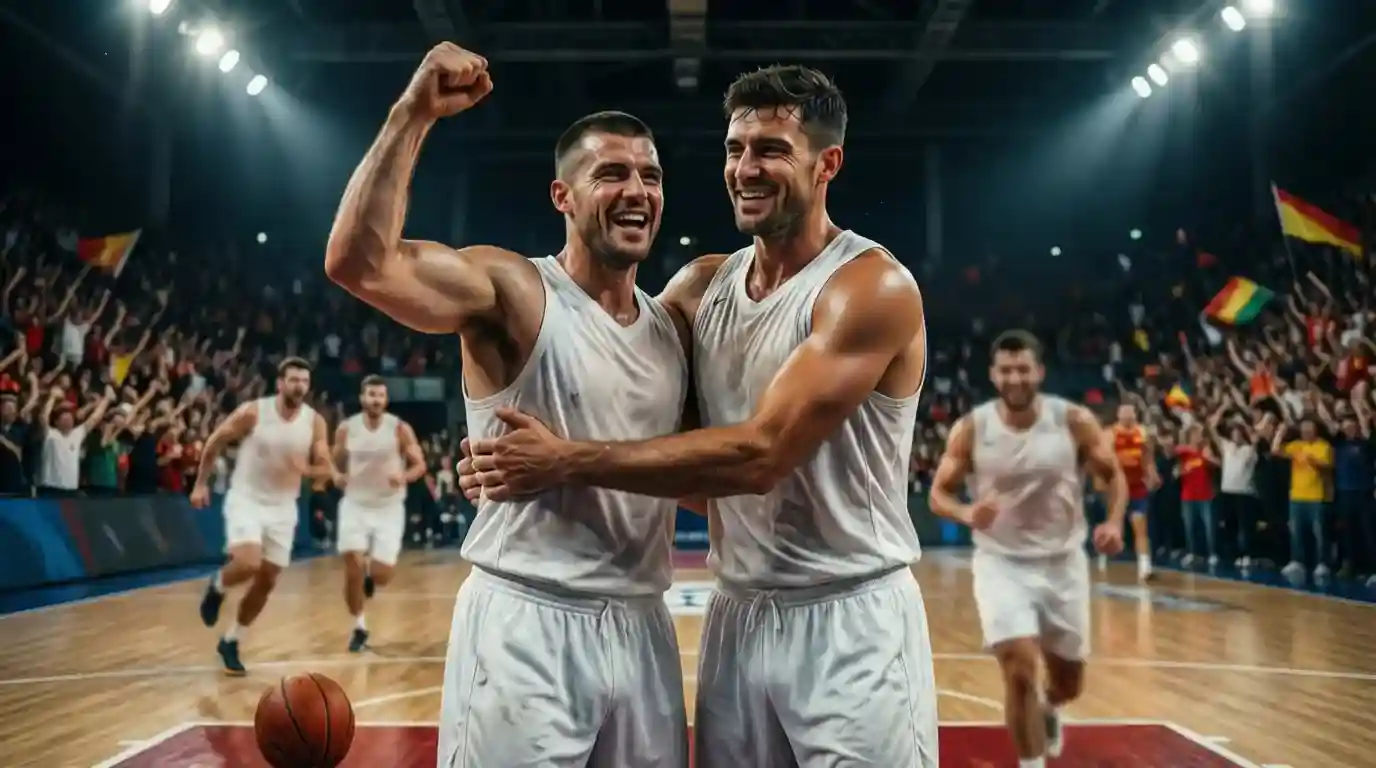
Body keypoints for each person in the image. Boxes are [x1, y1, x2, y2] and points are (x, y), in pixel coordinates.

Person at [462, 64, 938, 767]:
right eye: (735, 148)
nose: (746, 168)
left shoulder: (870, 286)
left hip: (850, 615)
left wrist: (566, 460)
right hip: (736, 617)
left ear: (827, 162)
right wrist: (497, 449)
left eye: (771, 150)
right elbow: (646, 420)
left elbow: (759, 457)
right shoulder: (699, 288)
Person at [324, 43, 690, 767]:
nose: (636, 191)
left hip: (645, 624)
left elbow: (695, 474)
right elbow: (360, 263)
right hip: (530, 620)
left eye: (650, 175)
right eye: (610, 173)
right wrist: (413, 113)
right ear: (563, 197)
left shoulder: (671, 328)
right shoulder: (514, 288)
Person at [927, 330, 1125, 768]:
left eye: (1023, 368)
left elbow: (1112, 476)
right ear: (993, 375)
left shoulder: (1072, 420)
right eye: (1006, 369)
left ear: (1039, 371)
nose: (1015, 377)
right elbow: (938, 494)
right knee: (1018, 668)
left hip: (1064, 563)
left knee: (1069, 681)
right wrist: (966, 513)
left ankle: (1051, 707)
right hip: (1000, 563)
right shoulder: (972, 428)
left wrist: (1113, 521)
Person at [191, 357, 333, 676]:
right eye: (293, 379)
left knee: (267, 580)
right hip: (247, 499)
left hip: (283, 508)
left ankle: (232, 640)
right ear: (279, 383)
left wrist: (311, 471)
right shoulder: (254, 412)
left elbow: (325, 467)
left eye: (304, 381)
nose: (299, 386)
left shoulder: (314, 422)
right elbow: (216, 440)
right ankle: (217, 586)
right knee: (248, 563)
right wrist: (201, 483)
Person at [333, 375, 426, 652]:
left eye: (380, 396)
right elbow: (333, 461)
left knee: (382, 573)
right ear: (362, 398)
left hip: (388, 507)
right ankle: (359, 626)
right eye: (371, 395)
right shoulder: (346, 429)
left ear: (386, 400)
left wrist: (405, 475)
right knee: (352, 563)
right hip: (355, 505)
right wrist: (336, 476)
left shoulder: (399, 428)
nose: (376, 400)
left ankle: (371, 581)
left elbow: (419, 464)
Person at [1109, 403, 1160, 580]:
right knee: (1116, 527)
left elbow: (1148, 458)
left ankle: (1145, 566)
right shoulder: (1110, 434)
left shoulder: (1143, 433)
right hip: (1118, 488)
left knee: (1141, 526)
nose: (1129, 417)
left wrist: (1152, 474)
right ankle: (1107, 554)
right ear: (1119, 416)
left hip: (1138, 487)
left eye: (1131, 414)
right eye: (1125, 414)